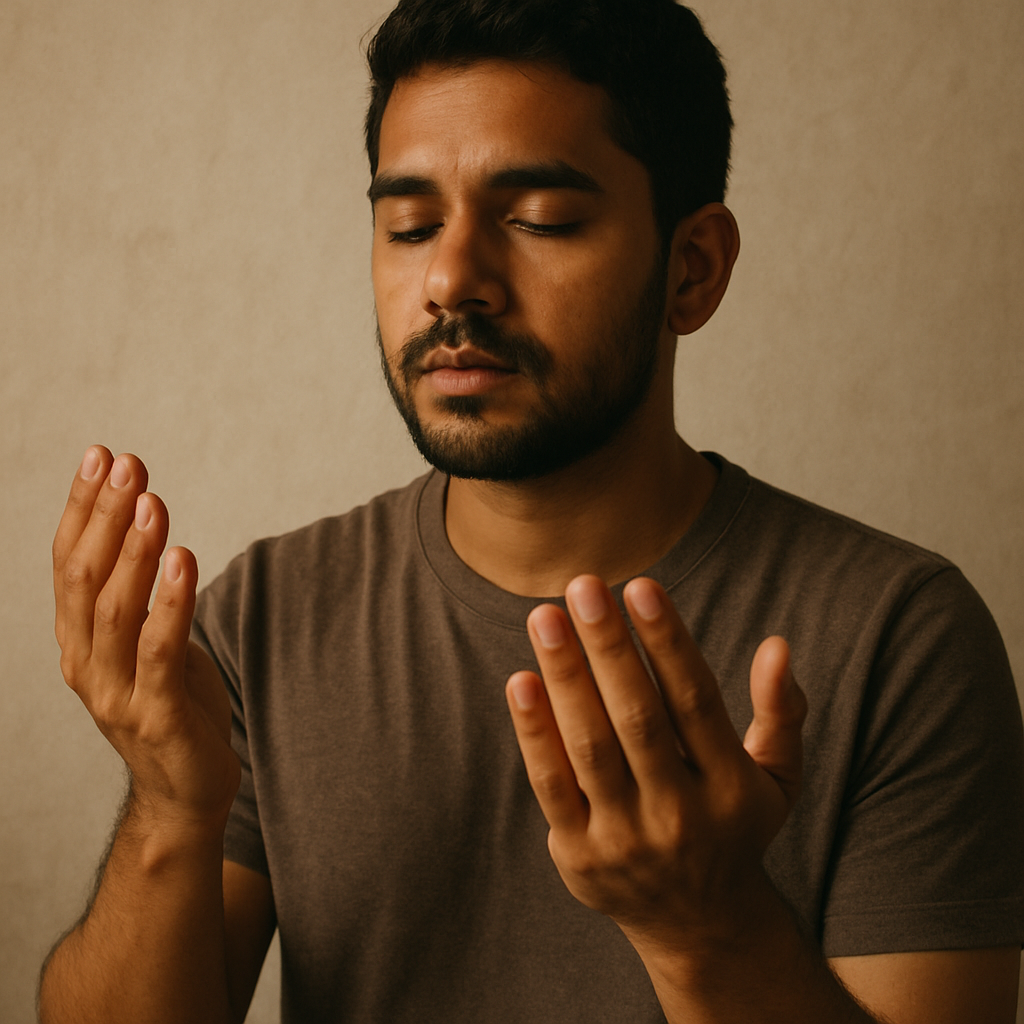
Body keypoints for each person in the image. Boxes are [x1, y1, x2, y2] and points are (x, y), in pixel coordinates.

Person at [39, 1, 1024, 1022]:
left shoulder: (897, 637)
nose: (450, 280)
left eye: (539, 219)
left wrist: (708, 929)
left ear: (692, 269)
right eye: (410, 226)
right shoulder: (263, 617)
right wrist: (169, 809)